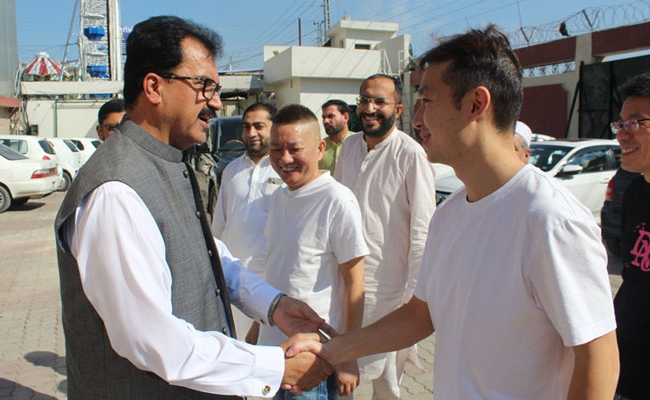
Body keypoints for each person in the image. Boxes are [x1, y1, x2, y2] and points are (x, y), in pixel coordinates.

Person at [288, 25, 620, 400]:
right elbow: (420, 316)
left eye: (427, 101)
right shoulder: (449, 217)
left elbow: (598, 357)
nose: (417, 119)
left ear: (476, 104)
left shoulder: (550, 219)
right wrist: (334, 350)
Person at [54, 16, 332, 399]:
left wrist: (273, 305)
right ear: (154, 86)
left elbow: (204, 253)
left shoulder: (169, 161)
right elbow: (152, 339)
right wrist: (273, 366)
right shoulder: (115, 191)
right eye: (203, 86)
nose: (215, 102)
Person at [333, 74, 436, 399]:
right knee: (341, 371)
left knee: (385, 385)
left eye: (380, 101)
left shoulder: (410, 154)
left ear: (398, 108)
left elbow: (423, 229)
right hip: (346, 283)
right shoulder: (349, 147)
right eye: (365, 100)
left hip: (390, 294)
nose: (370, 108)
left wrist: (411, 298)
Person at [260, 104, 368, 399]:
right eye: (276, 149)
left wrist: (348, 355)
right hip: (272, 354)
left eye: (295, 149)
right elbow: (277, 268)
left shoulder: (337, 200)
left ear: (320, 148)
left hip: (314, 358)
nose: (285, 159)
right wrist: (257, 330)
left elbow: (356, 284)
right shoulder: (279, 196)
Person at [212, 102, 283, 344]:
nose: (251, 133)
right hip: (234, 278)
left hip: (270, 280)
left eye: (258, 126)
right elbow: (219, 224)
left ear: (274, 128)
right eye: (246, 127)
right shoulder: (231, 170)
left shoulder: (284, 170)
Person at [612, 71, 650, 400]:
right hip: (624, 372)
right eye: (620, 124)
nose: (622, 135)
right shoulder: (636, 193)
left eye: (634, 123)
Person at [319, 99, 354, 175]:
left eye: (330, 116)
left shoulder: (360, 143)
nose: (325, 121)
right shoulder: (319, 148)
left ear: (345, 117)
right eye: (323, 117)